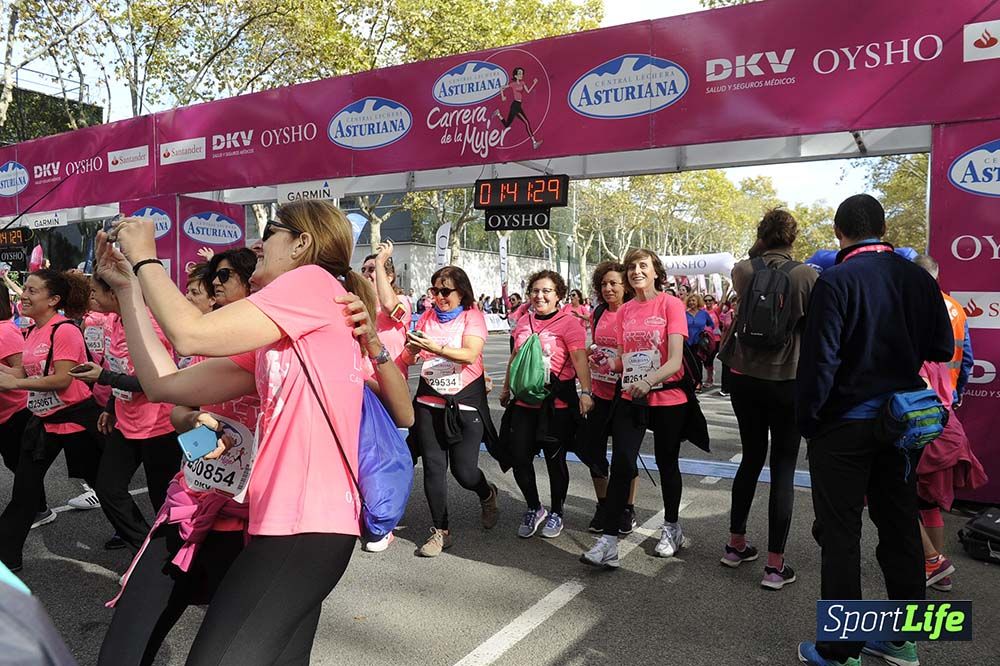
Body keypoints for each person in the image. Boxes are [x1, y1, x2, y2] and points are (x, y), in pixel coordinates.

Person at [100, 200, 395, 664]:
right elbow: (165, 385)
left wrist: (145, 256)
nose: (258, 242)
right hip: (275, 523)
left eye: (271, 231)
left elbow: (189, 333)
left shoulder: (313, 282)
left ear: (302, 243)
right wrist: (127, 291)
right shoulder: (278, 341)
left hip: (305, 523)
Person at [795, 195, 953, 666]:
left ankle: (840, 653)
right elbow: (942, 347)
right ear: (883, 229)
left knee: (841, 535)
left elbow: (819, 364)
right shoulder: (917, 280)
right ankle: (902, 640)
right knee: (900, 526)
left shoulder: (836, 281)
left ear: (839, 233)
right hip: (902, 426)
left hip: (842, 427)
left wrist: (809, 422)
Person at [717, 208, 817, 590]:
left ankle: (735, 544)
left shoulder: (743, 271)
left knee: (750, 458)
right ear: (793, 238)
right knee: (784, 469)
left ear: (762, 234)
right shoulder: (807, 275)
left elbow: (750, 259)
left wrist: (760, 244)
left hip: (745, 379)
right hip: (786, 380)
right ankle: (775, 567)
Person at [581, 249, 689, 568]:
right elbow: (624, 361)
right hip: (631, 395)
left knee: (667, 463)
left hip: (668, 396)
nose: (636, 271)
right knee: (623, 463)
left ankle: (671, 528)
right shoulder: (626, 311)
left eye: (643, 266)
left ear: (656, 272)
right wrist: (606, 362)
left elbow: (675, 360)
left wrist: (649, 380)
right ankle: (609, 542)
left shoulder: (671, 304)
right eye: (631, 267)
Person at [0, 270, 103, 572]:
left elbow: (61, 379)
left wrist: (14, 385)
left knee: (107, 491)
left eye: (32, 291)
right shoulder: (31, 331)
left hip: (77, 422)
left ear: (54, 299)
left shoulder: (65, 330)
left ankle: (141, 547)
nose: (24, 295)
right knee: (24, 490)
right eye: (24, 290)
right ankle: (8, 558)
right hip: (44, 422)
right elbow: (23, 373)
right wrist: (9, 377)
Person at [70, 277, 181, 551]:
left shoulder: (152, 325)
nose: (91, 298)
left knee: (163, 500)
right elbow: (118, 366)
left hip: (160, 425)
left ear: (116, 292)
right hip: (124, 421)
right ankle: (146, 548)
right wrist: (110, 408)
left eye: (96, 292)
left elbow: (155, 381)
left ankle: (174, 558)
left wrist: (104, 377)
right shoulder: (112, 322)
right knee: (108, 489)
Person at [401, 266, 500, 557]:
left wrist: (435, 346)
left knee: (464, 471)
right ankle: (440, 531)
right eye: (435, 291)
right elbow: (411, 356)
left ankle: (487, 493)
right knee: (433, 466)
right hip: (430, 402)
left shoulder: (473, 317)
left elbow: (469, 354)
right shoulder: (428, 317)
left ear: (462, 292)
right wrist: (412, 349)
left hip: (465, 403)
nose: (439, 297)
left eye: (446, 291)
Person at [912, 254, 987, 593]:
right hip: (945, 409)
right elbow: (967, 358)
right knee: (930, 500)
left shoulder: (908, 308)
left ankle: (931, 562)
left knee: (892, 495)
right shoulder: (956, 308)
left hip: (914, 412)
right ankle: (937, 569)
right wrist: (956, 394)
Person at [501, 270, 593, 539]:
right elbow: (514, 357)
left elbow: (579, 360)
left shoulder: (569, 323)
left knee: (555, 461)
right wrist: (507, 387)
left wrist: (586, 393)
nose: (539, 296)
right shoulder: (522, 322)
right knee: (518, 457)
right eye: (535, 291)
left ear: (558, 295)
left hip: (556, 403)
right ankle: (534, 507)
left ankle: (558, 512)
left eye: (546, 291)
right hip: (523, 402)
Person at [578, 261, 639, 534]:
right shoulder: (598, 311)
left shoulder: (635, 312)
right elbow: (593, 346)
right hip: (600, 396)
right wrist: (594, 357)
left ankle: (627, 509)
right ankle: (603, 506)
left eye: (614, 283)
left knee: (625, 458)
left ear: (625, 285)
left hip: (626, 396)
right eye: (603, 284)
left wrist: (616, 364)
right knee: (595, 455)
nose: (608, 288)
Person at [0, 288, 46, 522]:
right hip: (5, 412)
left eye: (31, 290)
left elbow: (22, 371)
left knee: (22, 465)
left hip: (16, 411)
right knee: (16, 463)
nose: (25, 296)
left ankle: (38, 509)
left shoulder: (6, 331)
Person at [361, 240, 412, 361]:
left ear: (389, 277)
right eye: (363, 270)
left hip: (391, 376)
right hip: (363, 377)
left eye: (371, 269)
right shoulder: (361, 305)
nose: (366, 274)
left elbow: (389, 305)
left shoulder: (402, 300)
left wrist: (379, 262)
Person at [494, 66, 542, 149]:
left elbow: (528, 91)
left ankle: (498, 114)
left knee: (507, 124)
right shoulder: (513, 84)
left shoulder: (523, 83)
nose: (521, 75)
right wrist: (503, 97)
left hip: (518, 105)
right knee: (526, 122)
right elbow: (502, 87)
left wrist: (534, 83)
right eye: (519, 73)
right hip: (515, 106)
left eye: (522, 73)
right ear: (515, 76)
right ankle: (534, 143)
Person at [702, 294, 721, 386]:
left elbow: (723, 302)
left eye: (710, 300)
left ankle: (710, 378)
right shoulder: (702, 312)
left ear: (713, 301)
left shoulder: (716, 311)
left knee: (710, 358)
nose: (708, 302)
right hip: (705, 339)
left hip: (716, 339)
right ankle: (710, 373)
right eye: (706, 300)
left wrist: (725, 290)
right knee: (706, 360)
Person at [718, 298, 735, 397]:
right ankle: (725, 388)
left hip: (739, 344)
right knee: (726, 366)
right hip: (728, 342)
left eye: (737, 301)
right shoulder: (727, 314)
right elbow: (724, 330)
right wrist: (721, 345)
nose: (735, 304)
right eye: (733, 302)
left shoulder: (744, 313)